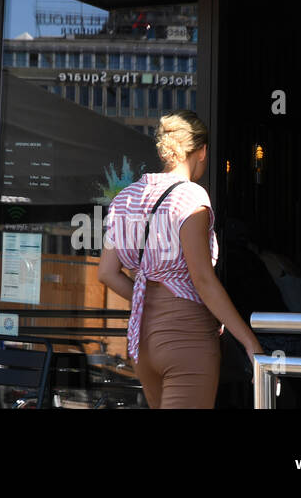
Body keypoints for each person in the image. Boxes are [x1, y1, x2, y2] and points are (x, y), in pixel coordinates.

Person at [99, 110, 263, 408]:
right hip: (185, 336)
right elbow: (202, 280)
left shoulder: (123, 199)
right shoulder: (190, 198)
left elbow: (107, 273)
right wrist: (249, 340)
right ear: (202, 151)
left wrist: (147, 298)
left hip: (141, 340)